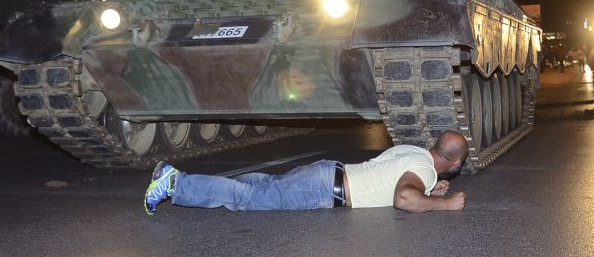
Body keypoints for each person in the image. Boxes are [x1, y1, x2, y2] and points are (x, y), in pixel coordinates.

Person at [143, 130, 469, 214]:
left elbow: (391, 176)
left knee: (261, 185)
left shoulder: (415, 153)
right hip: (324, 189)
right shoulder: (423, 169)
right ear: (455, 163)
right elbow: (402, 198)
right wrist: (446, 203)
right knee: (247, 199)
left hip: (327, 172)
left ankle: (176, 178)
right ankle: (176, 183)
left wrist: (428, 190)